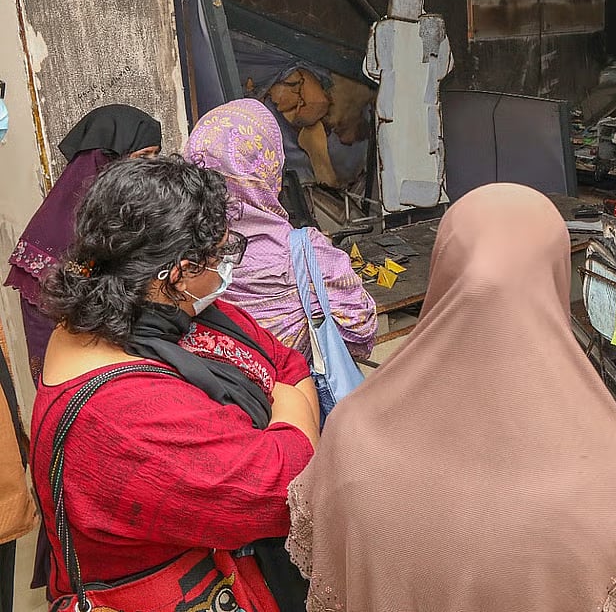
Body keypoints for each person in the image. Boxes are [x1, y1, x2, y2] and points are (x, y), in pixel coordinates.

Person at [287, 183, 616, 612]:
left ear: (444, 270)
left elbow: (325, 564)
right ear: (553, 278)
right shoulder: (613, 474)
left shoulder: (353, 436)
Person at [31, 155, 319, 611]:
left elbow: (285, 360)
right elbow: (282, 487)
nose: (227, 268)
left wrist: (286, 398)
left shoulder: (156, 312)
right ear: (178, 273)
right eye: (222, 255)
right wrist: (291, 406)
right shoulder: (123, 414)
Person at [184, 99, 377, 359]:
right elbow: (361, 332)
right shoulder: (305, 252)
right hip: (298, 391)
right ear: (269, 164)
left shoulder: (175, 254)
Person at [5, 104, 161, 382]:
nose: (150, 166)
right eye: (142, 156)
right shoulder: (69, 223)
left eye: (155, 155)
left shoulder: (133, 209)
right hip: (79, 359)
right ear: (107, 160)